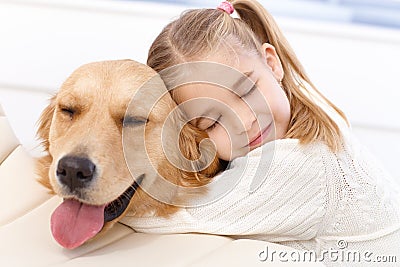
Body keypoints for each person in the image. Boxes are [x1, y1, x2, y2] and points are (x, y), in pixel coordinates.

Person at [120, 1, 400, 265]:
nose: (244, 122)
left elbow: (176, 214)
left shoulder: (305, 161)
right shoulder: (310, 117)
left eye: (247, 91)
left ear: (272, 63)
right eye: (213, 123)